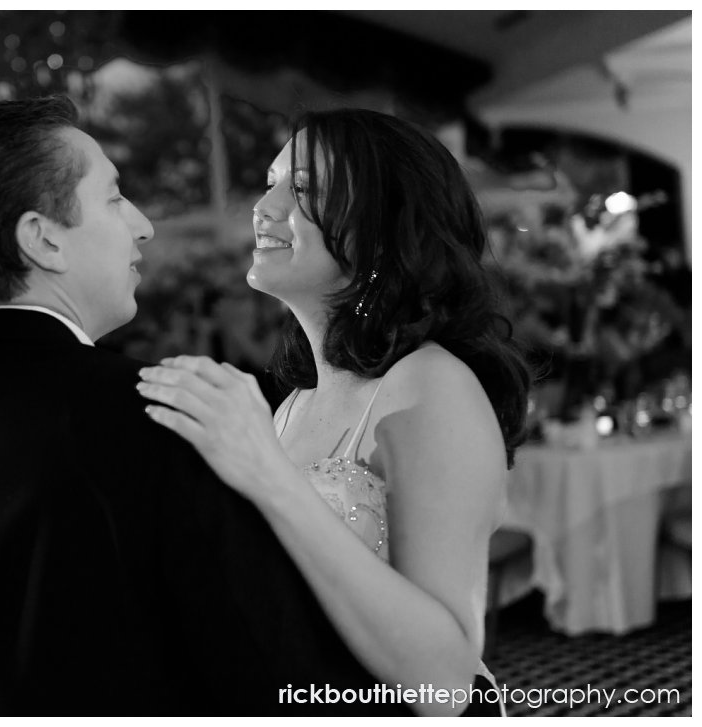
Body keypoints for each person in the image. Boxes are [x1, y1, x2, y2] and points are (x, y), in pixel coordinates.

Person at [0, 97, 464, 716]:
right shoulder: (168, 419)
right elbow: (270, 678)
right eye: (114, 197)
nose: (142, 223)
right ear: (43, 241)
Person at [138, 108, 530, 716]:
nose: (263, 207)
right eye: (270, 182)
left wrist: (265, 475)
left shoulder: (429, 388)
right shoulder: (296, 402)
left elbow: (448, 682)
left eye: (300, 190)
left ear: (380, 228)